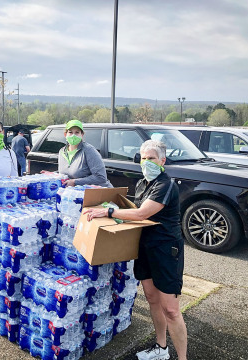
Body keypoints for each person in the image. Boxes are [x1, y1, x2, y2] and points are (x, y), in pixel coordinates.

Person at [84, 139, 187, 360]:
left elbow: (141, 214)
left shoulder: (166, 185)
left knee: (170, 309)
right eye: (143, 158)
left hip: (166, 250)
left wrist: (109, 213)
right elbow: (132, 210)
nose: (146, 162)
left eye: (151, 158)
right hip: (145, 247)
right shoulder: (143, 183)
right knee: (151, 298)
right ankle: (161, 348)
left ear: (162, 161)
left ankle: (182, 357)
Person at [57, 119, 112, 187]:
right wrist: (50, 175)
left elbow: (101, 177)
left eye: (77, 132)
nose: (73, 135)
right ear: (65, 134)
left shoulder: (89, 150)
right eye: (70, 132)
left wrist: (75, 182)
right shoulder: (62, 152)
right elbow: (65, 173)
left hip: (96, 194)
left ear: (82, 134)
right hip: (74, 193)